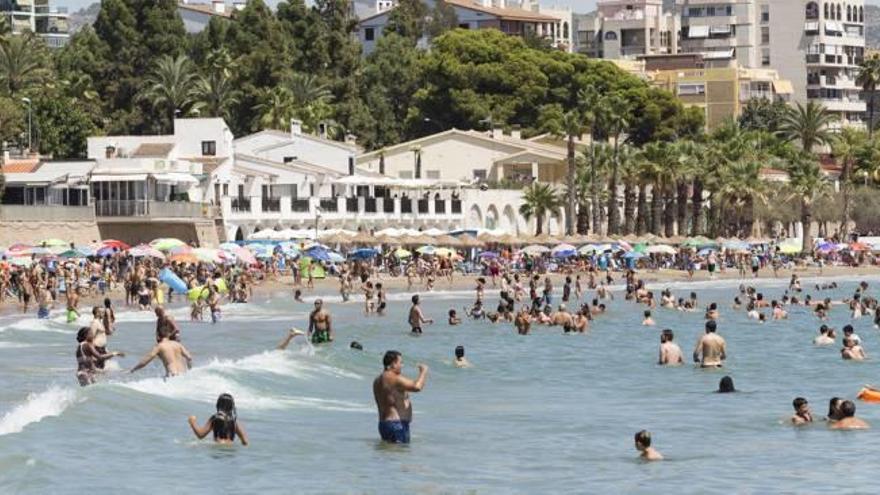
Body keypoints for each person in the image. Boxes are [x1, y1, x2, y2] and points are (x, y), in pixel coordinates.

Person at [373, 351, 428, 444]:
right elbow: (417, 387)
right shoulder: (393, 377)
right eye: (400, 362)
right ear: (394, 364)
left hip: (384, 424)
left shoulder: (377, 380)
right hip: (396, 425)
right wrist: (423, 372)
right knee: (398, 455)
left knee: (389, 456)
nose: (402, 365)